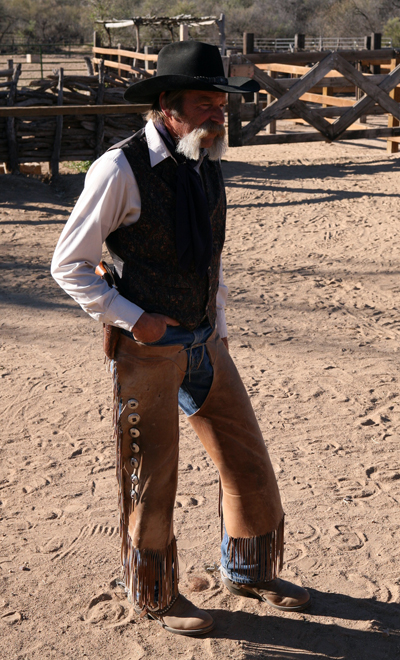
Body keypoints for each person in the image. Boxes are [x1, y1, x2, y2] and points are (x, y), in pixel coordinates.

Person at [51, 40, 310, 636]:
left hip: (205, 339)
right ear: (166, 105)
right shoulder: (118, 168)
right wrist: (129, 316)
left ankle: (247, 572)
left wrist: (215, 320)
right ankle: (155, 596)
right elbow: (68, 263)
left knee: (247, 462)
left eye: (222, 102)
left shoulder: (203, 157)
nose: (218, 113)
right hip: (147, 348)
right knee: (151, 478)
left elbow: (208, 257)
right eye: (204, 103)